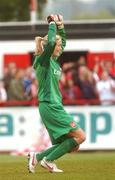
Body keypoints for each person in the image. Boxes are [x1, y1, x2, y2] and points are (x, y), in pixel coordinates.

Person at [28, 14, 86, 173]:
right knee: (81, 136)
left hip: (52, 106)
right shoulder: (44, 60)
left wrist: (61, 26)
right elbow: (53, 41)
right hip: (50, 105)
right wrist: (52, 24)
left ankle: (38, 157)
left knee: (73, 143)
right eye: (58, 46)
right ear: (51, 47)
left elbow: (62, 41)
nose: (61, 48)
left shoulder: (52, 59)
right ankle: (48, 160)